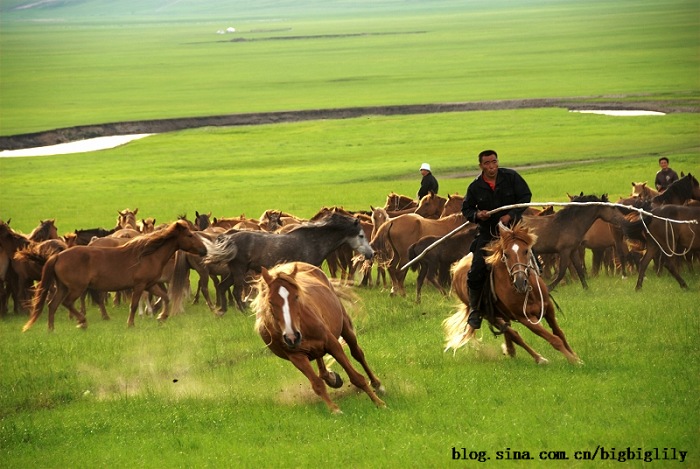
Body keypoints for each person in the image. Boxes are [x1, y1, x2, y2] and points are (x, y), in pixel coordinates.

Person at [461, 149, 532, 329]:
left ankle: (540, 293)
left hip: (513, 230)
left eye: (494, 162)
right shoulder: (475, 186)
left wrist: (511, 215)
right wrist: (478, 214)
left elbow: (525, 197)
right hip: (489, 233)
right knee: (476, 270)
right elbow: (467, 210)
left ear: (497, 162)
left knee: (530, 258)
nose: (491, 166)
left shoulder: (511, 177)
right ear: (481, 166)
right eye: (487, 163)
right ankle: (475, 310)